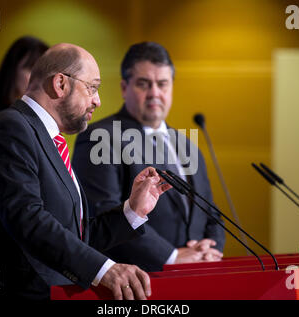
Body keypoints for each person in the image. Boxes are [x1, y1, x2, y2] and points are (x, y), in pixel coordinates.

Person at [0, 43, 171, 300]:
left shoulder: (49, 139)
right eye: (92, 88)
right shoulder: (9, 129)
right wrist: (105, 270)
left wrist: (132, 211)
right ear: (60, 84)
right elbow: (29, 221)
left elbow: (75, 236)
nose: (97, 100)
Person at [72, 41, 226, 272]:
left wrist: (209, 247)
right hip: (137, 282)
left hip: (197, 276)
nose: (155, 93)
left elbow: (210, 211)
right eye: (144, 84)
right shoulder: (100, 137)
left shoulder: (187, 144)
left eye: (162, 84)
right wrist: (171, 257)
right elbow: (103, 214)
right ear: (124, 88)